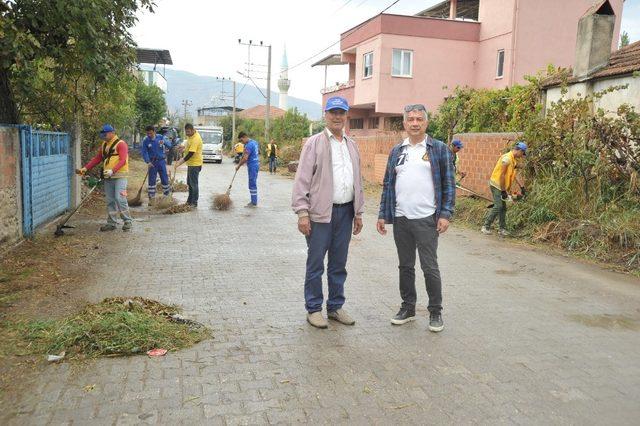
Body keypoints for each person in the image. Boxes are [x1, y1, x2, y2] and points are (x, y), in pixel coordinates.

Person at [376, 104, 455, 332]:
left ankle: (435, 312)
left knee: (429, 267)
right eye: (410, 119)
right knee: (405, 266)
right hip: (401, 218)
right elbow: (388, 185)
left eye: (419, 119)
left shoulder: (438, 149)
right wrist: (383, 214)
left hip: (427, 218)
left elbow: (449, 185)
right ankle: (408, 308)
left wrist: (445, 214)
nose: (415, 123)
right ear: (404, 123)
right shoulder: (397, 151)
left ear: (426, 123)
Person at [291, 96, 364, 329]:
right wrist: (303, 213)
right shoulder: (314, 143)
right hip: (320, 215)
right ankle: (313, 309)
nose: (336, 116)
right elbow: (302, 180)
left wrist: (359, 212)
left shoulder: (351, 145)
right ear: (325, 115)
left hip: (345, 213)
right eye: (332, 112)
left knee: (338, 264)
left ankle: (335, 307)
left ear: (346, 116)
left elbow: (357, 181)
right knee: (315, 264)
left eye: (341, 112)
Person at [76, 124, 133, 232]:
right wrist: (85, 168)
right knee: (110, 200)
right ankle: (111, 223)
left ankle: (127, 221)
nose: (103, 136)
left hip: (120, 176)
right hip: (108, 177)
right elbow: (97, 158)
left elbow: (123, 160)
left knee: (120, 198)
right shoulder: (104, 145)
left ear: (112, 133)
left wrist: (113, 170)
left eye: (105, 134)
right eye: (102, 134)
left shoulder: (121, 144)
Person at [481, 141, 527, 237]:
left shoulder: (513, 160)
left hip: (502, 186)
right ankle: (485, 227)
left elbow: (514, 175)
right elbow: (502, 176)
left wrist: (522, 187)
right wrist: (503, 191)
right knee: (498, 206)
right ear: (519, 150)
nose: (522, 156)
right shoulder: (507, 159)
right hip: (497, 185)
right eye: (522, 153)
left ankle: (502, 229)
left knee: (503, 208)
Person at [174, 123, 203, 207]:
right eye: (186, 131)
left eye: (188, 131)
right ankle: (189, 201)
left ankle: (194, 202)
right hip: (191, 164)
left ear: (192, 130)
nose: (187, 133)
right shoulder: (190, 136)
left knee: (193, 184)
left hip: (195, 164)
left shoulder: (196, 139)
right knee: (189, 183)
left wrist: (180, 162)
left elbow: (191, 153)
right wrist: (182, 147)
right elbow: (187, 145)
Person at [141, 125, 170, 204]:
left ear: (154, 132)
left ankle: (167, 196)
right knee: (152, 181)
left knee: (164, 178)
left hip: (161, 161)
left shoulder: (161, 137)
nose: (149, 135)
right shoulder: (146, 140)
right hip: (152, 163)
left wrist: (164, 142)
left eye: (150, 133)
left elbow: (169, 145)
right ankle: (151, 198)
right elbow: (144, 152)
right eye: (147, 134)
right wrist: (148, 161)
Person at [235, 132, 260, 207]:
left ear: (244, 137)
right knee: (252, 182)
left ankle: (253, 202)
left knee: (252, 183)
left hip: (252, 165)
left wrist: (239, 165)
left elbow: (245, 158)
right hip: (256, 163)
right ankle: (253, 201)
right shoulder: (254, 142)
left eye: (241, 140)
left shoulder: (248, 145)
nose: (241, 142)